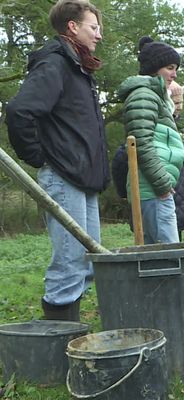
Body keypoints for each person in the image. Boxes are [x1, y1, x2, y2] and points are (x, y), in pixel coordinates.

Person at [5, 0, 108, 321]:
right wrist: (39, 158)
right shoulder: (55, 64)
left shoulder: (79, 68)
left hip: (83, 177)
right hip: (63, 176)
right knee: (70, 262)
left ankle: (69, 334)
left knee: (88, 262)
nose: (99, 35)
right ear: (72, 27)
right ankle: (55, 344)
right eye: (94, 27)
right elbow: (19, 110)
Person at [112, 80, 184, 240]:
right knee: (165, 254)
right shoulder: (152, 131)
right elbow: (123, 158)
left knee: (164, 249)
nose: (178, 106)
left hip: (175, 201)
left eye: (181, 101)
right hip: (158, 196)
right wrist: (125, 194)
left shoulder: (171, 137)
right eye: (175, 102)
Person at [117, 36, 184, 244]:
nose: (174, 75)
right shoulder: (143, 95)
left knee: (157, 255)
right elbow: (141, 143)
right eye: (170, 68)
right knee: (169, 257)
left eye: (175, 69)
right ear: (155, 68)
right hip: (153, 190)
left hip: (155, 189)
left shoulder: (155, 97)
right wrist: (162, 184)